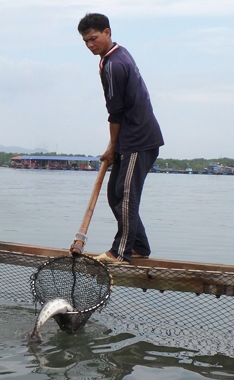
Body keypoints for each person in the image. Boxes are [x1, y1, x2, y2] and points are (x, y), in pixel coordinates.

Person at [78, 13, 164, 263]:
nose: (90, 45)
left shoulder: (115, 64)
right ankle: (139, 246)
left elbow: (115, 112)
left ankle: (121, 252)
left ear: (107, 32)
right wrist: (116, 146)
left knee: (126, 196)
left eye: (93, 38)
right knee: (115, 194)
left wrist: (112, 147)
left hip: (139, 139)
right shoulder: (114, 56)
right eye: (85, 41)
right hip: (131, 138)